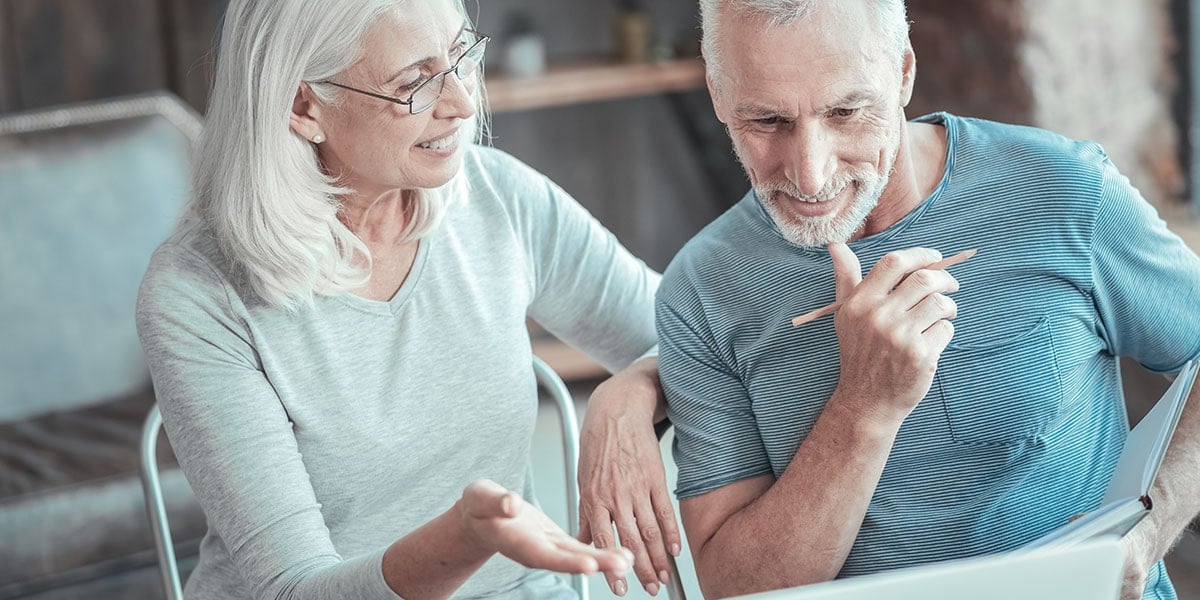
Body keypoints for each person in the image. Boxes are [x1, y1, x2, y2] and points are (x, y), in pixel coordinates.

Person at [577, 1, 1200, 599]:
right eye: (767, 121)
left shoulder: (1061, 190)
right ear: (717, 94)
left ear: (903, 71)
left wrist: (1151, 530)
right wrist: (865, 407)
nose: (811, 176)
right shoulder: (704, 288)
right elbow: (741, 589)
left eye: (847, 111)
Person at [134, 0, 666, 597]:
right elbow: (291, 589)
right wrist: (465, 537)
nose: (462, 104)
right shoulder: (197, 295)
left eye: (461, 56)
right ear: (303, 107)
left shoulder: (498, 198)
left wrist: (627, 393)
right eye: (414, 83)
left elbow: (692, 342)